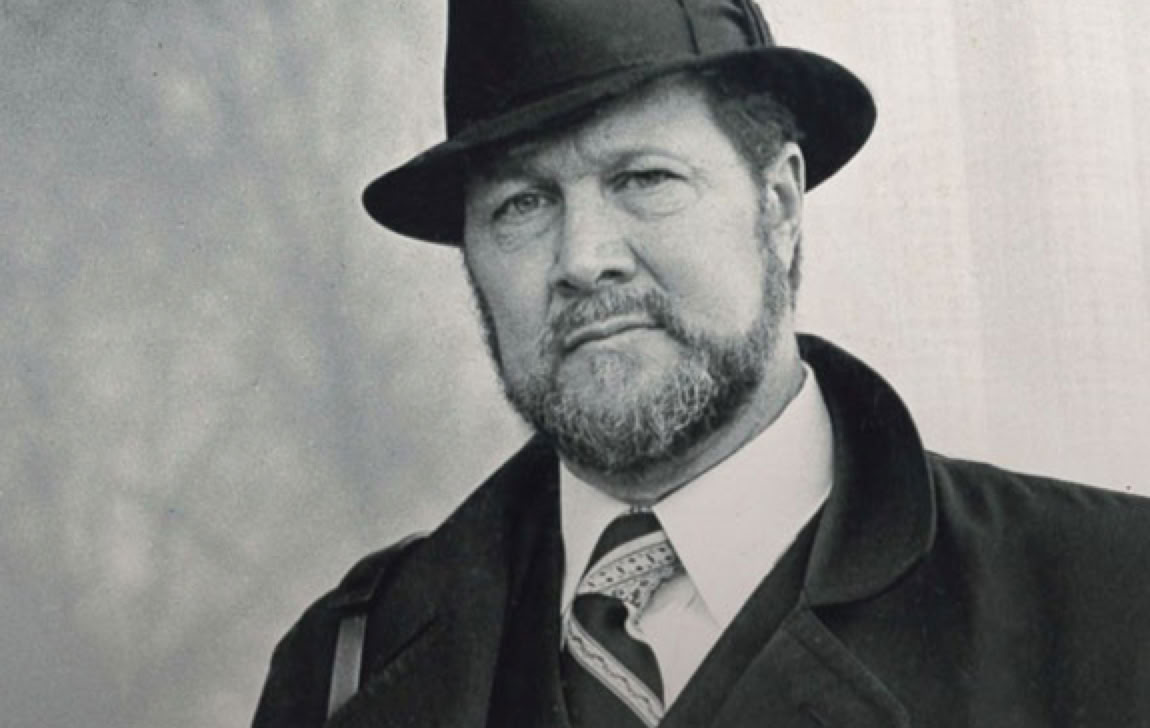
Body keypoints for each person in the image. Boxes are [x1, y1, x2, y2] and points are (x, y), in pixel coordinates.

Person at [253, 0, 1150, 726]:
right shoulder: (346, 667)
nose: (582, 258)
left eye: (644, 179)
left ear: (779, 202)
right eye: (522, 204)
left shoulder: (1112, 597)